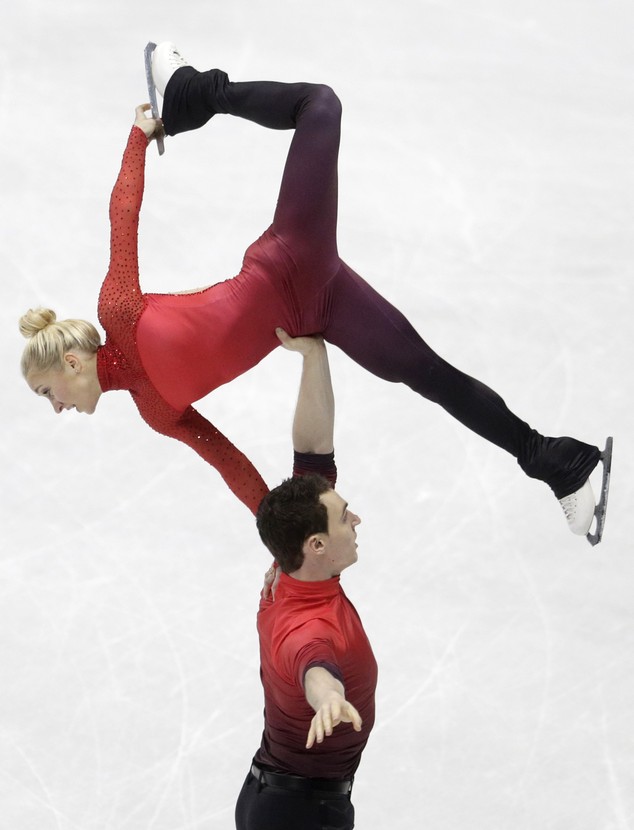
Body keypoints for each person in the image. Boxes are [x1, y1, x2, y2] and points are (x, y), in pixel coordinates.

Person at [19, 41, 610, 539]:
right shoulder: (156, 411)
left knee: (318, 104)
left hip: (288, 260)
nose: (58, 407)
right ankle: (560, 463)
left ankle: (195, 92)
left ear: (71, 361)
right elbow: (233, 467)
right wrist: (286, 543)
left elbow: (123, 213)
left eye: (49, 391)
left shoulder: (118, 312)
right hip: (318, 306)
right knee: (425, 371)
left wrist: (139, 136)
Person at [237, 330, 375, 830]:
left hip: (284, 799)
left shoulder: (291, 572)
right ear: (316, 545)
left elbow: (314, 449)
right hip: (302, 814)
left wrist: (313, 356)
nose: (356, 520)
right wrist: (329, 698)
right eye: (344, 518)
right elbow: (313, 664)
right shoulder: (306, 625)